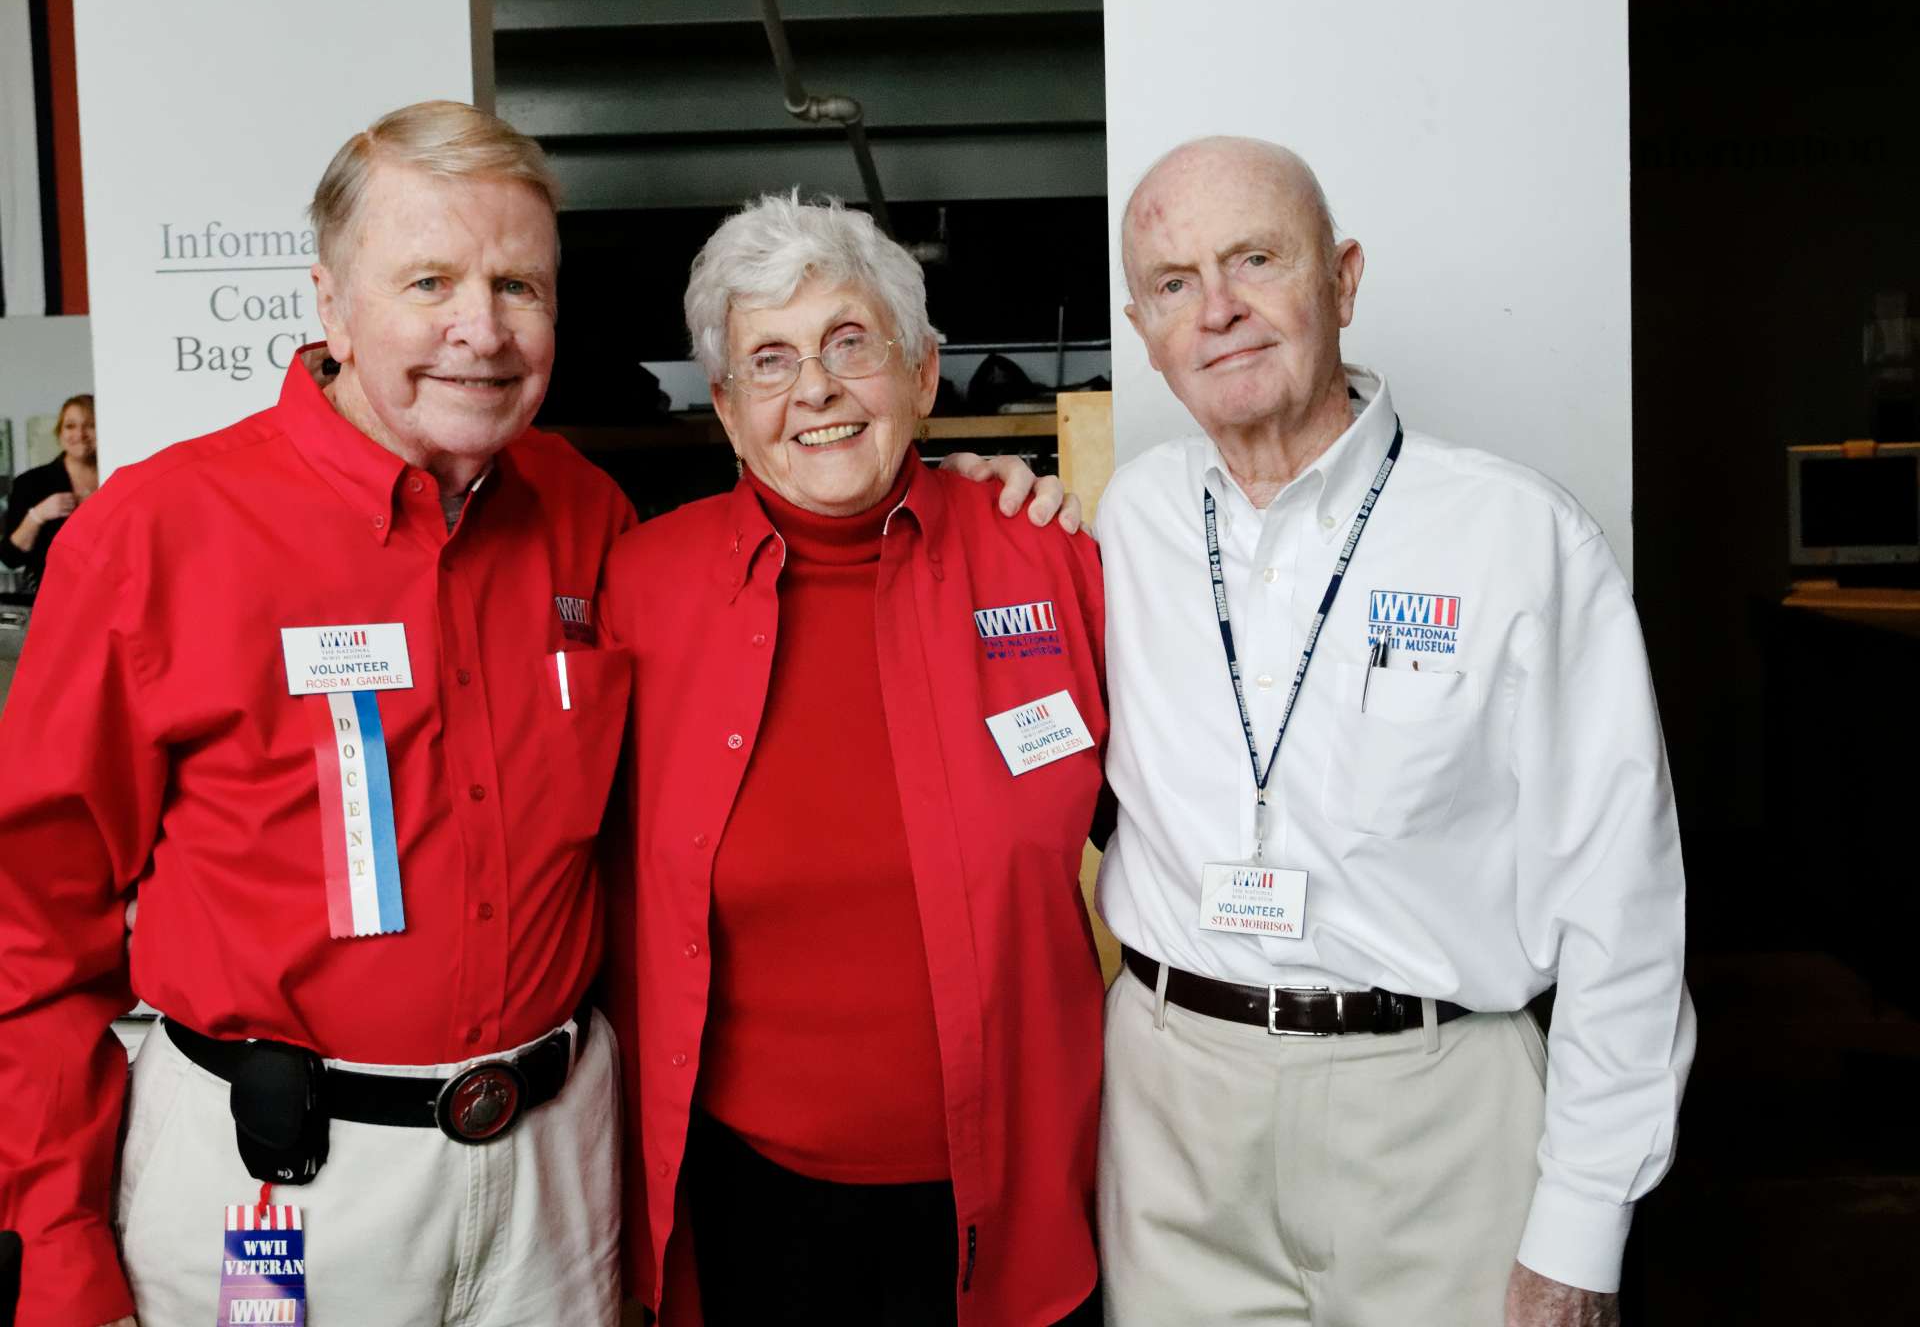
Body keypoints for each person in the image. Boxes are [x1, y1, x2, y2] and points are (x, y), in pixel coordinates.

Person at [0, 100, 1075, 1327]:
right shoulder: (156, 537)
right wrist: (58, 1248)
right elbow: (29, 932)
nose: (481, 327)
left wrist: (979, 494)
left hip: (555, 1191)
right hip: (279, 1193)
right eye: (428, 279)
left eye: (518, 283)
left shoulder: (588, 521)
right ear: (331, 306)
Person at [1092, 136, 1695, 1327]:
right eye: (1173, 284)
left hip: (1439, 1115)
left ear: (1343, 279)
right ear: (1144, 327)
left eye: (1255, 259)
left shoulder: (1518, 537)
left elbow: (1625, 905)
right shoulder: (1128, 520)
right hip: (1173, 1117)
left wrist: (1581, 1224)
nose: (1217, 310)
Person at [598, 193, 1108, 1327]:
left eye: (848, 343)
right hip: (746, 1202)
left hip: (1017, 1190)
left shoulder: (1053, 560)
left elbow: (1176, 836)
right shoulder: (641, 589)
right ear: (727, 411)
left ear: (923, 374)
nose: (815, 389)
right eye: (769, 360)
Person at [1, 394, 97, 593]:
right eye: (70, 426)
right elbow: (11, 558)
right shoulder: (30, 483)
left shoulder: (118, 476)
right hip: (52, 597)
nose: (79, 434)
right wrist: (38, 515)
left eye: (90, 425)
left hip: (110, 596)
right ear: (59, 432)